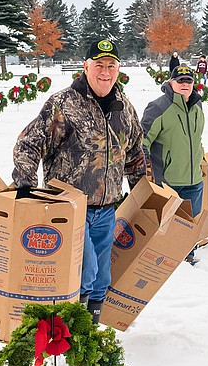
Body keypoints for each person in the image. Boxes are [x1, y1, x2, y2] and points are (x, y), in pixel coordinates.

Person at [13, 39, 146, 324]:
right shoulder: (64, 104)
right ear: (85, 67)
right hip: (70, 210)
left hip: (107, 209)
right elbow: (29, 143)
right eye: (99, 65)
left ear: (119, 69)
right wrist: (25, 185)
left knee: (102, 278)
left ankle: (90, 335)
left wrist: (146, 194)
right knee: (84, 274)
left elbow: (135, 153)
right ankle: (72, 332)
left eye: (111, 65)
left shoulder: (125, 108)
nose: (105, 72)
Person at [141, 63, 206, 265]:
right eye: (180, 81)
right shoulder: (159, 107)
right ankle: (160, 258)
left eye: (189, 81)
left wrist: (200, 158)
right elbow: (142, 139)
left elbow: (196, 137)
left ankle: (188, 254)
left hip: (194, 178)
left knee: (190, 222)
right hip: (168, 179)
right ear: (171, 82)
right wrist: (146, 164)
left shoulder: (197, 106)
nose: (185, 84)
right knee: (166, 223)